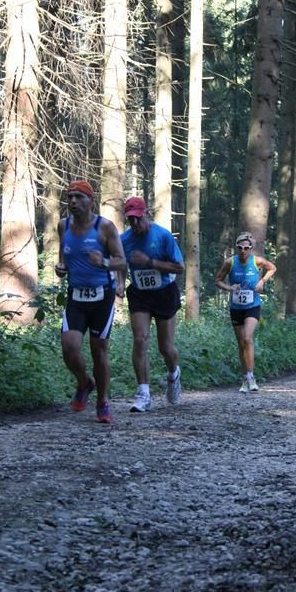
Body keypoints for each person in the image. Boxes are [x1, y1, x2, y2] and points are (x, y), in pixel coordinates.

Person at [55, 180, 126, 424]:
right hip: (76, 296)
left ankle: (103, 402)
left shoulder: (104, 227)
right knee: (69, 347)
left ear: (90, 200)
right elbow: (63, 254)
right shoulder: (63, 225)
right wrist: (61, 267)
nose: (73, 201)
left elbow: (121, 261)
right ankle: (85, 383)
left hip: (101, 297)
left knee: (99, 351)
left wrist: (103, 262)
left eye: (79, 197)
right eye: (70, 197)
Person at [117, 197, 184, 413]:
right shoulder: (124, 240)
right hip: (140, 294)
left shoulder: (162, 236)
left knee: (166, 348)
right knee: (140, 339)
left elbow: (179, 267)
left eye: (138, 218)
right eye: (130, 220)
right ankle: (143, 394)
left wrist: (150, 262)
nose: (135, 223)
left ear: (146, 214)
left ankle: (173, 374)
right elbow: (121, 264)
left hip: (164, 292)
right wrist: (120, 283)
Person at [214, 232, 276, 393]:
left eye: (246, 248)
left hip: (252, 306)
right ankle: (245, 377)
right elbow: (217, 280)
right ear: (236, 248)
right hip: (236, 308)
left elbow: (272, 268)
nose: (243, 250)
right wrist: (229, 288)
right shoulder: (230, 262)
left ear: (251, 248)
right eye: (240, 247)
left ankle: (251, 377)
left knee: (248, 338)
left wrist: (262, 281)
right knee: (241, 343)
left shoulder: (257, 261)